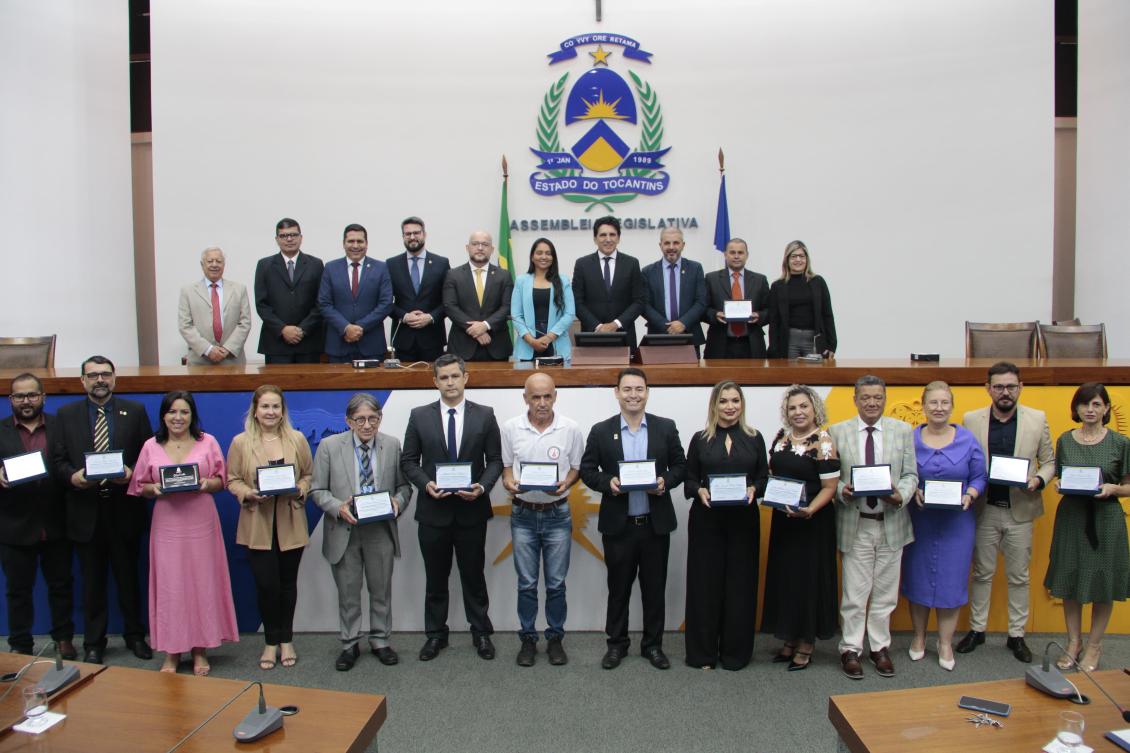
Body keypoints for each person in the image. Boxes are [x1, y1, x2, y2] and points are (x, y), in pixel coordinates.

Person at [580, 367, 686, 670]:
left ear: (647, 392)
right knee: (619, 589)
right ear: (616, 393)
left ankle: (653, 646)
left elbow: (681, 466)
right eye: (627, 389)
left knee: (655, 589)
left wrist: (665, 481)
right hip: (619, 526)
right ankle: (616, 645)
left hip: (655, 525)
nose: (633, 395)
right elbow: (588, 470)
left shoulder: (666, 427)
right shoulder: (601, 430)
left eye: (639, 389)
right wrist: (607, 483)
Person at [51, 355, 153, 665]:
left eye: (105, 374)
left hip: (124, 509)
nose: (100, 380)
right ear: (82, 381)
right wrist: (72, 476)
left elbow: (149, 455)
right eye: (93, 375)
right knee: (92, 583)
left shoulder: (133, 412)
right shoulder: (65, 415)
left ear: (114, 378)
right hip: (85, 510)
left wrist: (132, 472)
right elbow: (57, 461)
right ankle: (94, 643)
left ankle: (136, 636)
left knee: (128, 579)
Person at [128, 391, 238, 675]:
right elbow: (140, 486)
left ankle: (200, 649)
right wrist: (157, 489)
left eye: (184, 412)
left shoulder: (208, 442)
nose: (178, 418)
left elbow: (221, 480)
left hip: (201, 520)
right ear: (163, 416)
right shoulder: (151, 445)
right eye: (172, 412)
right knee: (170, 586)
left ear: (192, 416)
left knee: (202, 582)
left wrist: (205, 484)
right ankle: (172, 652)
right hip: (167, 523)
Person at [401, 354, 503, 661]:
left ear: (465, 378)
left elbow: (495, 460)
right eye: (443, 378)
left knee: (474, 576)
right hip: (434, 511)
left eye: (454, 377)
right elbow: (408, 461)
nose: (450, 383)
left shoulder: (485, 415)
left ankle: (481, 633)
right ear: (435, 382)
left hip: (472, 511)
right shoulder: (419, 416)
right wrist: (426, 484)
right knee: (435, 578)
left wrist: (482, 486)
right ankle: (435, 635)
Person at [958, 362, 1055, 663]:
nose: (1005, 392)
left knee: (1018, 576)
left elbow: (1049, 462)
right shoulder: (971, 419)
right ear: (988, 388)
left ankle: (1017, 635)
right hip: (984, 509)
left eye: (1011, 386)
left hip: (1020, 510)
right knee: (982, 573)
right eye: (998, 386)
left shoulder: (1037, 420)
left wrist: (1038, 480)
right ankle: (977, 630)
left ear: (1020, 387)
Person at [312, 393, 412, 672]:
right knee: (348, 592)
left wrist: (398, 502)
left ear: (380, 419)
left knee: (381, 590)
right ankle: (349, 643)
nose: (367, 425)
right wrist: (336, 507)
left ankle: (380, 640)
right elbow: (317, 490)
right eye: (360, 419)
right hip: (345, 529)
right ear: (348, 421)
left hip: (380, 530)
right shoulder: (330, 446)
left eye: (373, 419)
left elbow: (405, 487)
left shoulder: (392, 445)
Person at [828, 375, 917, 680]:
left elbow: (911, 475)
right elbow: (829, 478)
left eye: (877, 397)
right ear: (855, 399)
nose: (871, 402)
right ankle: (850, 648)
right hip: (856, 523)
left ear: (885, 398)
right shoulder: (837, 431)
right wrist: (843, 490)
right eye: (865, 397)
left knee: (885, 594)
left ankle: (879, 647)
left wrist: (900, 494)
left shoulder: (903, 431)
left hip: (891, 521)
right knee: (854, 593)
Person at [226, 385, 314, 671]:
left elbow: (308, 475)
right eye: (265, 406)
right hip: (257, 522)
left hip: (290, 521)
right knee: (266, 586)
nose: (270, 412)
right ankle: (270, 641)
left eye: (276, 407)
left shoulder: (297, 439)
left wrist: (300, 490)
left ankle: (286, 639)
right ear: (255, 410)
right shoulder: (241, 442)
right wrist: (247, 493)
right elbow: (232, 479)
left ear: (283, 410)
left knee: (288, 585)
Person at [1045, 383, 1130, 672]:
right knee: (1070, 578)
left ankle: (1094, 645)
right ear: (1076, 409)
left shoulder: (1120, 443)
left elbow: (1129, 486)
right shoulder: (1065, 440)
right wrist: (1060, 484)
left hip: (1106, 520)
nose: (1090, 410)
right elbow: (1062, 474)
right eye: (1084, 405)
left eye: (1096, 404)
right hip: (1072, 517)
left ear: (1106, 408)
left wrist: (1113, 488)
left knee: (1102, 583)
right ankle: (1073, 642)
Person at [500, 373, 584, 666]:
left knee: (556, 584)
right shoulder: (511, 428)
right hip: (523, 514)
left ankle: (555, 639)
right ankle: (527, 640)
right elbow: (507, 467)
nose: (542, 403)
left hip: (557, 514)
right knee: (526, 583)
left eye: (547, 396)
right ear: (525, 398)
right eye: (535, 397)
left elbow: (575, 468)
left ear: (555, 396)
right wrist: (509, 483)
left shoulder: (570, 428)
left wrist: (568, 483)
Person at [682, 380, 767, 670]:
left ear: (742, 405)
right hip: (707, 521)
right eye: (724, 401)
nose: (730, 407)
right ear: (714, 405)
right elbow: (690, 478)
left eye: (735, 401)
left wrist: (756, 488)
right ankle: (703, 654)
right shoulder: (700, 438)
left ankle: (735, 655)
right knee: (705, 586)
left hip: (744, 521)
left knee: (740, 586)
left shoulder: (755, 438)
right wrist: (699, 491)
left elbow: (764, 477)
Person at [902, 381, 986, 671]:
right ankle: (919, 637)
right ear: (923, 406)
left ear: (952, 406)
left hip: (957, 523)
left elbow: (979, 477)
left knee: (952, 581)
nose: (939, 408)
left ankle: (945, 641)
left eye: (944, 403)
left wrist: (970, 494)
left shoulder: (968, 440)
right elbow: (902, 473)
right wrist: (913, 490)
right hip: (920, 520)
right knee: (918, 578)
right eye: (933, 403)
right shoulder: (909, 439)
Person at [761, 385, 840, 671]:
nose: (798, 412)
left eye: (804, 406)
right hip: (785, 522)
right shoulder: (781, 438)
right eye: (793, 407)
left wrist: (810, 510)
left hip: (812, 523)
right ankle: (789, 639)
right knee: (787, 579)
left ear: (814, 408)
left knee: (809, 582)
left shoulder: (824, 441)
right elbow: (772, 474)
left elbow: (830, 487)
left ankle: (806, 643)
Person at [0, 374, 75, 658]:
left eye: (32, 395)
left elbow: (71, 462)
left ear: (43, 397)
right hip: (14, 524)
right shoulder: (0, 430)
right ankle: (20, 645)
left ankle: (63, 638)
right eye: (19, 396)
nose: (26, 401)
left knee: (61, 585)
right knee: (18, 590)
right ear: (11, 400)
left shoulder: (61, 426)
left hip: (57, 521)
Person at [318, 223, 394, 363]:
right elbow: (324, 303)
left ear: (366, 243)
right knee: (338, 385)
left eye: (360, 241)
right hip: (338, 344)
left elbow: (386, 303)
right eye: (351, 241)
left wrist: (360, 327)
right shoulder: (330, 268)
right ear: (343, 243)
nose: (355, 245)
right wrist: (345, 327)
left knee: (373, 385)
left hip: (371, 344)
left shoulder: (381, 268)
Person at [254, 218, 325, 363]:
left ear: (301, 237)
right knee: (276, 385)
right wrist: (282, 329)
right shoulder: (264, 265)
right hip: (276, 343)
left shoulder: (315, 264)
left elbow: (321, 302)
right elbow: (262, 304)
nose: (289, 239)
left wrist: (302, 330)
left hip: (309, 342)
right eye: (284, 236)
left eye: (293, 235)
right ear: (277, 239)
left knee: (309, 385)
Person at [572, 215, 647, 350]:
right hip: (592, 336)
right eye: (603, 235)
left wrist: (616, 324)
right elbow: (577, 302)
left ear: (618, 238)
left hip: (624, 335)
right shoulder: (582, 264)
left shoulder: (632, 263)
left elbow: (639, 301)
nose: (608, 239)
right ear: (595, 239)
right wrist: (598, 326)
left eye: (612, 234)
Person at [442, 230, 514, 361]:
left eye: (485, 244)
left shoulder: (504, 275)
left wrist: (485, 325)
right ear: (467, 248)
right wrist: (474, 329)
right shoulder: (453, 275)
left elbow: (507, 306)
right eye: (475, 244)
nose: (480, 248)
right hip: (462, 346)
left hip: (496, 345)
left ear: (492, 249)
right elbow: (450, 306)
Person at [386, 216, 449, 362]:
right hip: (403, 339)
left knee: (433, 382)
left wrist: (431, 317)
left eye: (416, 233)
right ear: (403, 236)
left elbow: (449, 300)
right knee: (402, 383)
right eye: (408, 234)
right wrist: (404, 316)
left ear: (424, 234)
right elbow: (385, 301)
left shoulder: (441, 263)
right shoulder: (391, 264)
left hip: (433, 338)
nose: (412, 237)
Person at [177, 246, 253, 364]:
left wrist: (228, 349)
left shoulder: (239, 290)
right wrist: (208, 350)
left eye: (218, 261)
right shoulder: (188, 291)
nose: (214, 264)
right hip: (200, 360)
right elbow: (185, 326)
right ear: (202, 264)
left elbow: (245, 323)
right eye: (210, 261)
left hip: (232, 359)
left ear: (224, 265)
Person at [767, 240, 836, 359]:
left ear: (807, 259)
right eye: (793, 256)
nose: (798, 260)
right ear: (787, 260)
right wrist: (773, 348)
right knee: (790, 377)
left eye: (801, 256)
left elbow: (827, 314)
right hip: (789, 342)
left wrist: (831, 345)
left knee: (813, 377)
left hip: (813, 341)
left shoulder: (818, 282)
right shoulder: (777, 286)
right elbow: (774, 321)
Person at [703, 238, 770, 359]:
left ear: (747, 255)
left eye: (740, 252)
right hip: (720, 344)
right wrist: (715, 315)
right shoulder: (711, 279)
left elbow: (770, 310)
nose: (736, 256)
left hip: (751, 344)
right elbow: (703, 309)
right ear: (725, 255)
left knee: (753, 379)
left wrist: (759, 316)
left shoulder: (760, 280)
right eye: (732, 252)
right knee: (719, 378)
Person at [641, 228, 706, 353]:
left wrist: (683, 323)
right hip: (658, 336)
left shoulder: (695, 268)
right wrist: (667, 326)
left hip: (689, 335)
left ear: (683, 245)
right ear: (660, 245)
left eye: (676, 243)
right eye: (667, 243)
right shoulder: (648, 272)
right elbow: (644, 304)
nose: (671, 247)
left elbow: (701, 301)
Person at [510, 237, 575, 362]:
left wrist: (549, 337)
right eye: (539, 253)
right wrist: (531, 340)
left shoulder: (563, 281)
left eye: (548, 253)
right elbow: (516, 315)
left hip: (557, 343)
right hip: (527, 344)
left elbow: (569, 314)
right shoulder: (521, 281)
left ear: (553, 257)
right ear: (532, 257)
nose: (543, 257)